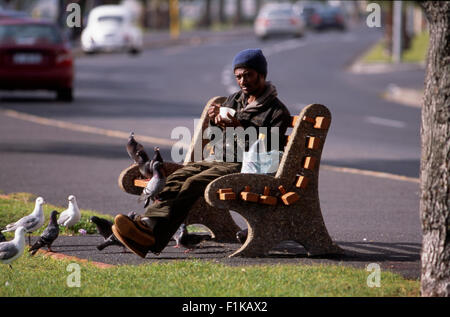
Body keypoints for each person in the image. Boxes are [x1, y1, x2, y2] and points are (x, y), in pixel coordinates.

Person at [112, 48, 292, 258]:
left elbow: (266, 149)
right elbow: (216, 137)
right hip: (217, 159)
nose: (243, 81)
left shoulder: (277, 111)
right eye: (238, 76)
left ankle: (149, 233)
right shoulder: (235, 100)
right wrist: (215, 121)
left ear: (262, 74)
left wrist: (238, 126)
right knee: (178, 176)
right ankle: (148, 226)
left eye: (248, 75)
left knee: (192, 183)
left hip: (243, 166)